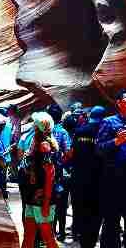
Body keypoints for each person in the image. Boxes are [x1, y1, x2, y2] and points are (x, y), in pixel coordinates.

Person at [97, 89, 126, 248]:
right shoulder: (108, 122)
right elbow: (99, 149)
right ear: (118, 103)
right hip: (113, 179)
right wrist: (116, 141)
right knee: (111, 221)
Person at [20, 111, 60, 248]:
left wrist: (46, 203)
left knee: (47, 237)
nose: (33, 126)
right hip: (32, 195)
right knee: (29, 235)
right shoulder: (35, 143)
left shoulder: (44, 146)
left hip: (42, 198)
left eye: (35, 125)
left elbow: (50, 175)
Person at [72, 105, 107, 248]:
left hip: (80, 179)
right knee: (96, 215)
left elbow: (73, 153)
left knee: (82, 213)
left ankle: (84, 242)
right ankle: (91, 241)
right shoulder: (105, 131)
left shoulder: (80, 131)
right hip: (99, 180)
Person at [46, 103, 73, 241]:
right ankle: (61, 232)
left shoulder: (42, 131)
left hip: (43, 173)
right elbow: (68, 153)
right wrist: (61, 161)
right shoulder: (63, 132)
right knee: (61, 204)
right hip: (58, 173)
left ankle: (48, 232)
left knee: (47, 202)